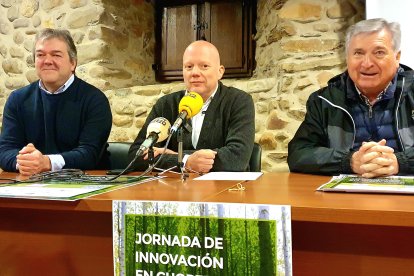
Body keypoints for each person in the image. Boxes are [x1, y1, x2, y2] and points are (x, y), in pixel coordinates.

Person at [288, 18, 414, 178]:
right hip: (344, 198)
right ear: (347, 58)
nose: (367, 63)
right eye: (358, 53)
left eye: (379, 52)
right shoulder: (324, 100)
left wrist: (399, 162)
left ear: (397, 57)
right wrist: (350, 161)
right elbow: (298, 154)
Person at [129, 40, 255, 173]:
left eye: (204, 66)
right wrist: (187, 162)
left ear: (220, 71)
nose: (195, 72)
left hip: (226, 189)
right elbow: (136, 155)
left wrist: (178, 157)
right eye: (188, 67)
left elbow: (237, 159)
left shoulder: (239, 101)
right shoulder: (165, 105)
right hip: (175, 190)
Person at [0, 28, 112, 176]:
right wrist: (26, 163)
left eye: (56, 55)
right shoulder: (17, 99)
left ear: (73, 63)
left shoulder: (94, 100)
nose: (47, 61)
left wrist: (47, 162)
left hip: (84, 185)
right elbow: (5, 150)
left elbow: (89, 154)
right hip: (29, 184)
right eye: (40, 55)